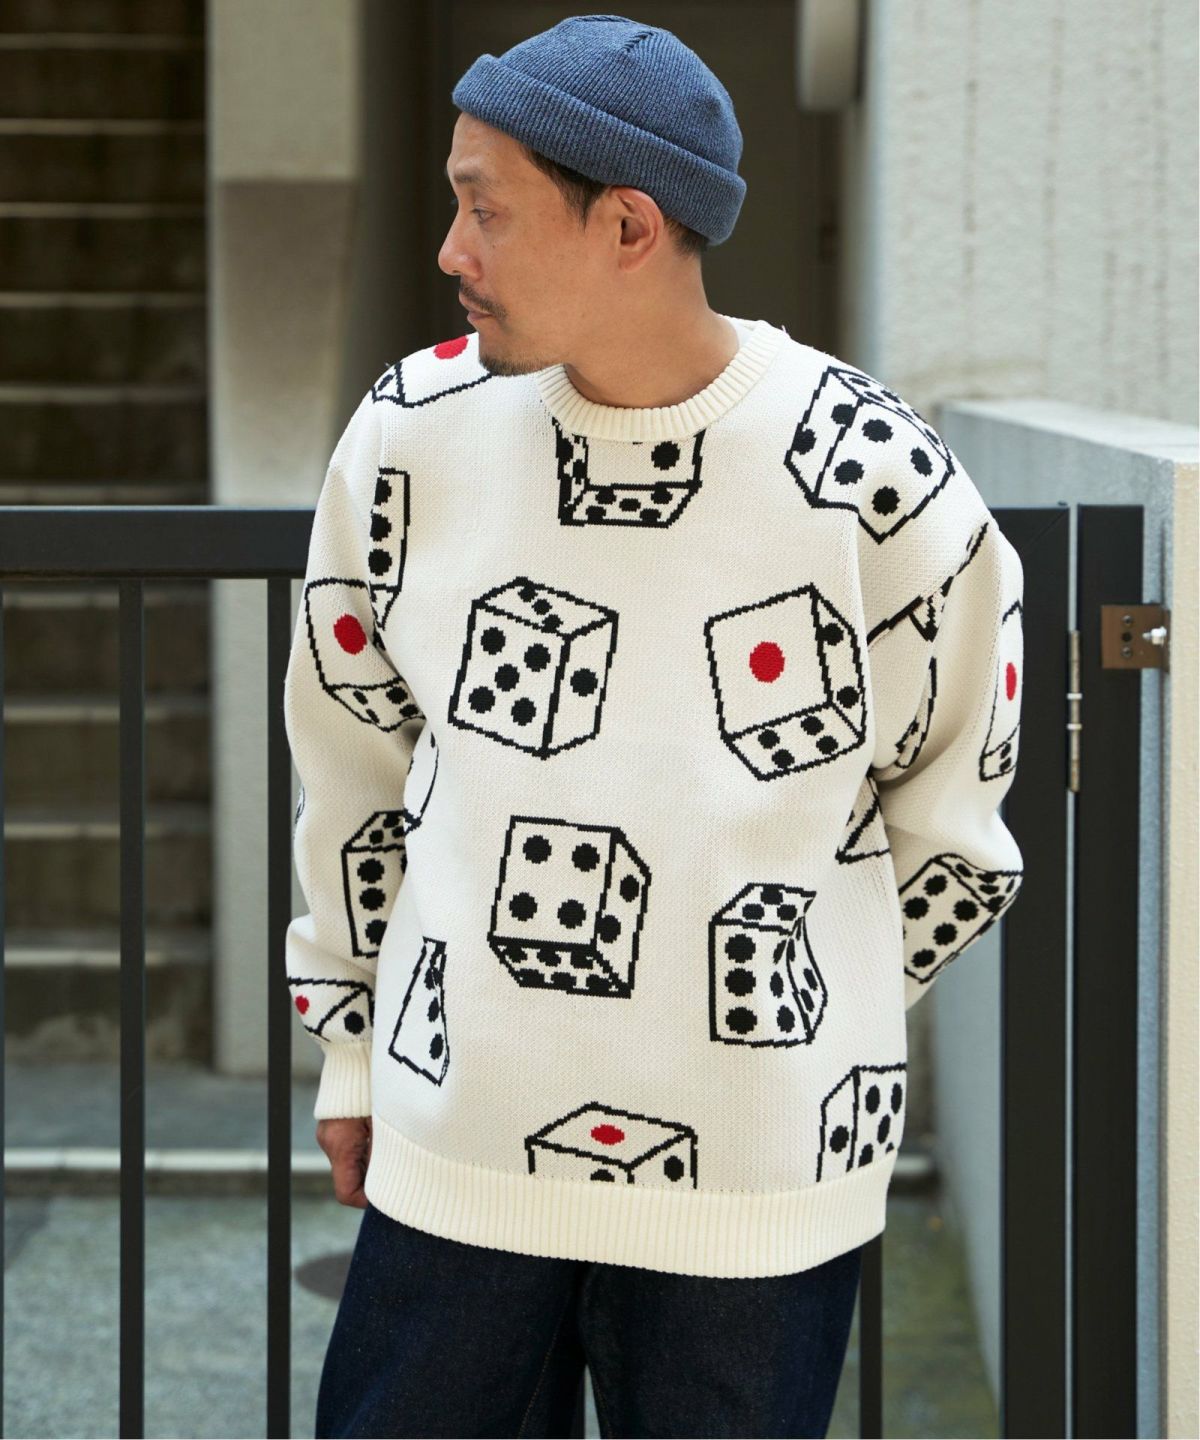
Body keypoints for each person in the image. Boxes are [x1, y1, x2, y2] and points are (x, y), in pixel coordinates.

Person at [284, 14, 1026, 1438]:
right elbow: (353, 758)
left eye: (486, 207)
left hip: (758, 1186)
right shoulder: (411, 434)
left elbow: (954, 818)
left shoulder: (873, 475)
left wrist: (796, 1031)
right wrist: (356, 1044)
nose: (451, 249)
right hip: (455, 1146)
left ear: (628, 224)